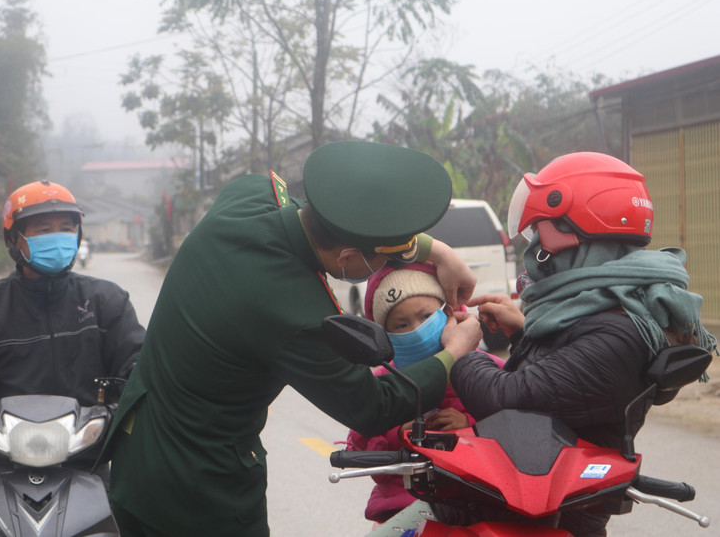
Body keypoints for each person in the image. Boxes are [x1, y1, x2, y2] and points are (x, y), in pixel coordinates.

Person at [100, 140, 483, 536]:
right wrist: (455, 350)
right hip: (195, 493)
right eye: (385, 259)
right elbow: (374, 407)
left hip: (136, 457)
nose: (389, 264)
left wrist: (439, 252)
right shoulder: (296, 312)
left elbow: (311, 207)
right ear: (347, 258)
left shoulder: (247, 196)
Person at [444, 152, 717, 537]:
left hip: (555, 518)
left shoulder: (621, 333)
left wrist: (460, 350)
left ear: (574, 229)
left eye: (541, 231)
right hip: (520, 500)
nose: (535, 247)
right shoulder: (601, 308)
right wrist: (523, 333)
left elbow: (508, 395)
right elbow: (562, 384)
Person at [0, 180, 146, 536]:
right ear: (13, 239)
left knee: (141, 522)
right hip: (1, 465)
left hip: (88, 465)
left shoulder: (105, 302)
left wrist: (149, 392)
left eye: (67, 228)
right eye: (44, 229)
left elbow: (137, 360)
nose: (59, 237)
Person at [344, 262, 505, 526]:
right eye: (401, 324)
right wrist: (397, 433)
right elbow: (360, 446)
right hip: (403, 510)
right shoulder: (382, 384)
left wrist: (471, 427)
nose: (416, 330)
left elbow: (519, 426)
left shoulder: (488, 369)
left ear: (449, 312)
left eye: (425, 317)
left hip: (481, 505)